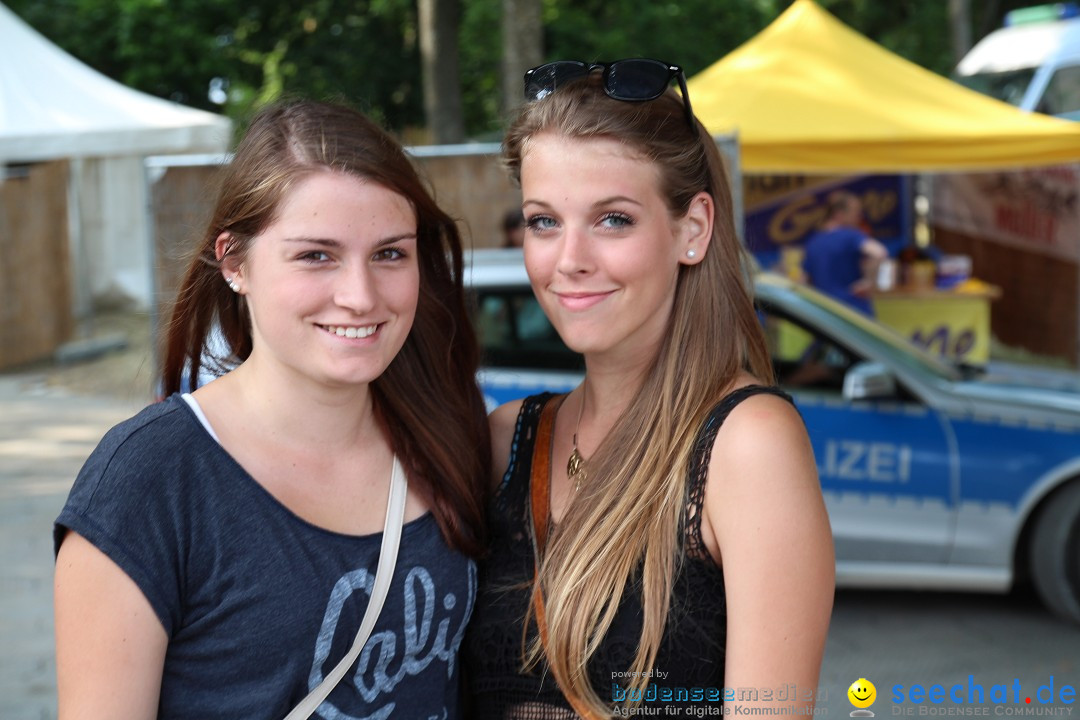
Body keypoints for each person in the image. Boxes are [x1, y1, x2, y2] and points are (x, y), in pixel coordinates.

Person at [53, 99, 490, 719]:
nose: (360, 296)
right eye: (316, 255)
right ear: (235, 262)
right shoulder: (148, 480)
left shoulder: (447, 433)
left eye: (390, 253)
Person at [465, 60, 835, 718]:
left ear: (692, 229)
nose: (569, 258)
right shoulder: (507, 437)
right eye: (544, 221)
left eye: (612, 220)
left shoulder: (744, 445)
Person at [801, 190, 889, 316]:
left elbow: (804, 280)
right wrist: (869, 282)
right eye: (856, 213)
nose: (859, 217)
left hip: (824, 315)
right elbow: (880, 252)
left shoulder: (813, 242)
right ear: (839, 214)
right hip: (854, 313)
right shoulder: (851, 236)